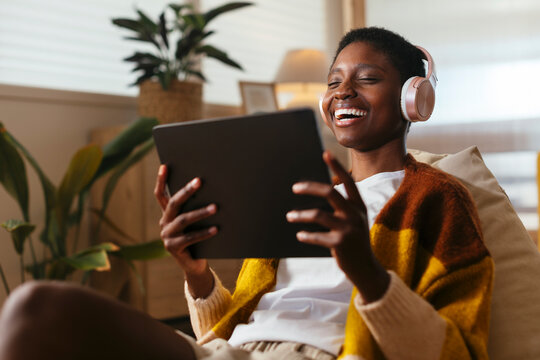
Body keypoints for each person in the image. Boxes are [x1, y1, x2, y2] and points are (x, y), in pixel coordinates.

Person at [0, 27, 493, 360]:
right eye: (335, 82)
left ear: (414, 98)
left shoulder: (438, 199)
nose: (344, 92)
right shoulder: (300, 186)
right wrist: (196, 276)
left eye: (367, 79)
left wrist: (364, 267)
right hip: (232, 353)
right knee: (35, 309)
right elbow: (234, 322)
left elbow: (455, 351)